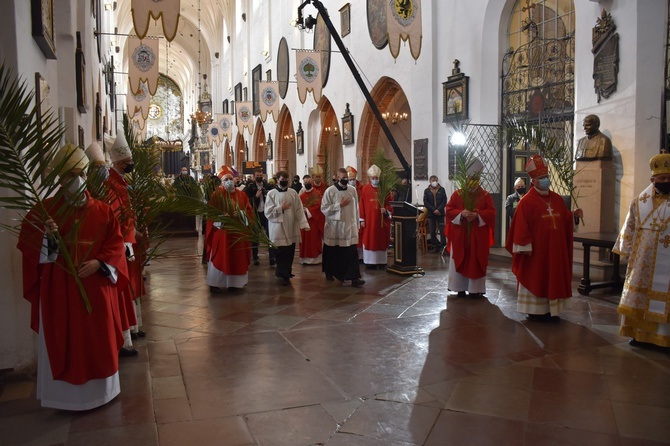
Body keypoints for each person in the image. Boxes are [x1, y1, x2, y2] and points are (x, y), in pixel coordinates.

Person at [17, 144, 128, 410]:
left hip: (96, 285)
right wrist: (49, 237)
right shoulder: (44, 212)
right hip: (60, 288)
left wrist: (100, 262)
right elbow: (30, 248)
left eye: (80, 173)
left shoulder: (102, 210)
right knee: (63, 336)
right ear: (60, 177)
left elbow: (115, 244)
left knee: (97, 338)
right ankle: (63, 398)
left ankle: (103, 393)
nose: (76, 180)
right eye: (69, 175)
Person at [506, 155, 584, 321]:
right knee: (537, 276)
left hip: (555, 250)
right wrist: (524, 246)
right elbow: (520, 226)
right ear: (533, 181)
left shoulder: (556, 198)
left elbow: (563, 218)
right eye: (542, 178)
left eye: (546, 177)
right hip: (536, 252)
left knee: (552, 276)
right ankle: (535, 311)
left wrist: (573, 216)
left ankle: (551, 310)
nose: (545, 180)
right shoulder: (526, 202)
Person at [613, 151, 670, 351]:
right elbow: (629, 227)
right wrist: (626, 250)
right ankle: (638, 335)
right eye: (661, 178)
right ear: (652, 180)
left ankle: (663, 339)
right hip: (641, 262)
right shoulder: (639, 202)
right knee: (639, 298)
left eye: (669, 178)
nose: (666, 181)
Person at [106, 133, 140, 355]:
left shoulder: (119, 180)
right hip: (119, 242)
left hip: (126, 238)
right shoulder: (110, 183)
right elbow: (116, 213)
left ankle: (130, 330)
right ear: (119, 163)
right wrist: (125, 238)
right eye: (128, 163)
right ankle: (123, 337)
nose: (130, 166)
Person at [444, 159, 496, 298]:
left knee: (475, 259)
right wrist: (461, 214)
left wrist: (478, 215)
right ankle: (459, 287)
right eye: (470, 178)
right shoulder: (458, 194)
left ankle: (475, 289)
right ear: (466, 178)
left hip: (477, 235)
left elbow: (492, 213)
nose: (472, 181)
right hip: (460, 234)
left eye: (475, 179)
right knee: (459, 257)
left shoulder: (485, 196)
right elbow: (449, 210)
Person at [206, 166, 254, 291]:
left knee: (237, 257)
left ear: (235, 180)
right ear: (221, 182)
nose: (229, 181)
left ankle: (236, 284)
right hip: (223, 232)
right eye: (226, 179)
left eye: (230, 179)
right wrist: (221, 217)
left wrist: (242, 214)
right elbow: (210, 214)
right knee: (221, 256)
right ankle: (216, 284)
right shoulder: (216, 195)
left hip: (238, 232)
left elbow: (249, 212)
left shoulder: (242, 195)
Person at [321, 167, 365, 287]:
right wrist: (338, 205)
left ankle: (355, 278)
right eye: (343, 178)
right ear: (337, 177)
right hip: (335, 227)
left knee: (352, 252)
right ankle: (330, 272)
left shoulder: (352, 190)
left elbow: (356, 208)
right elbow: (324, 209)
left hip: (349, 226)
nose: (346, 180)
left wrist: (356, 222)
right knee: (333, 252)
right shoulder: (330, 191)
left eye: (347, 178)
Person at [265, 171, 310, 285]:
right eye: (282, 179)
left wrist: (303, 224)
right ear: (277, 180)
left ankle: (286, 272)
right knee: (280, 252)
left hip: (291, 226)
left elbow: (299, 209)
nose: (284, 181)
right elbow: (268, 212)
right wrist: (281, 208)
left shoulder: (293, 192)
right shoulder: (272, 193)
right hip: (278, 227)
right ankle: (282, 273)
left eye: (286, 179)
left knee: (289, 251)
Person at [359, 164, 393, 269]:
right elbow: (361, 205)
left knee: (380, 239)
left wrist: (386, 210)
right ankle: (370, 262)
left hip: (381, 221)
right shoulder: (365, 189)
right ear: (370, 178)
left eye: (377, 178)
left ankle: (382, 262)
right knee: (370, 238)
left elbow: (390, 203)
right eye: (373, 178)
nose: (375, 180)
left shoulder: (385, 189)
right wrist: (362, 219)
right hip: (369, 221)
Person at [244, 168, 275, 266]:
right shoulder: (249, 187)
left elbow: (274, 197)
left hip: (267, 214)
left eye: (260, 175)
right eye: (257, 176)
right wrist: (255, 197)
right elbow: (246, 201)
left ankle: (272, 257)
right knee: (255, 237)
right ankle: (255, 257)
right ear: (254, 177)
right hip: (256, 214)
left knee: (270, 235)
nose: (259, 177)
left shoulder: (268, 186)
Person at [299, 174, 325, 264]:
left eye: (308, 182)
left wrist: (307, 210)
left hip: (314, 221)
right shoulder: (301, 196)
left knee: (313, 239)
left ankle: (315, 260)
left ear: (311, 181)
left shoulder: (317, 194)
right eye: (305, 182)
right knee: (304, 239)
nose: (307, 183)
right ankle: (305, 259)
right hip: (304, 221)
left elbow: (319, 206)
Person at [423, 175, 448, 252]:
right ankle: (436, 246)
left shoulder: (442, 189)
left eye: (436, 180)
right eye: (433, 180)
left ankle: (443, 247)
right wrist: (434, 210)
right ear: (430, 181)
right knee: (432, 231)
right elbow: (426, 202)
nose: (434, 182)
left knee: (442, 231)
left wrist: (438, 209)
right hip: (431, 214)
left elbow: (444, 200)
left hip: (440, 214)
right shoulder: (427, 191)